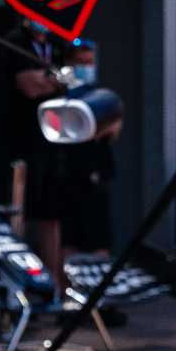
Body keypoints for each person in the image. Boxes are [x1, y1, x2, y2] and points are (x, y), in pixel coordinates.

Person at [4, 18, 66, 283]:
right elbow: (29, 86)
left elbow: (76, 79)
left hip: (52, 141)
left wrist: (50, 80)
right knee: (19, 212)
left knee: (52, 214)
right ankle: (19, 280)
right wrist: (57, 80)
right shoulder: (14, 40)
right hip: (19, 141)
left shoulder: (57, 43)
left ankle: (55, 283)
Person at [59, 39, 120, 260]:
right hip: (67, 170)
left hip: (96, 171)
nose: (85, 67)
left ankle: (98, 287)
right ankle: (66, 286)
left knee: (99, 235)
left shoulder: (100, 95)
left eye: (89, 62)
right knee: (68, 236)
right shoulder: (60, 95)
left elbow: (112, 128)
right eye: (80, 62)